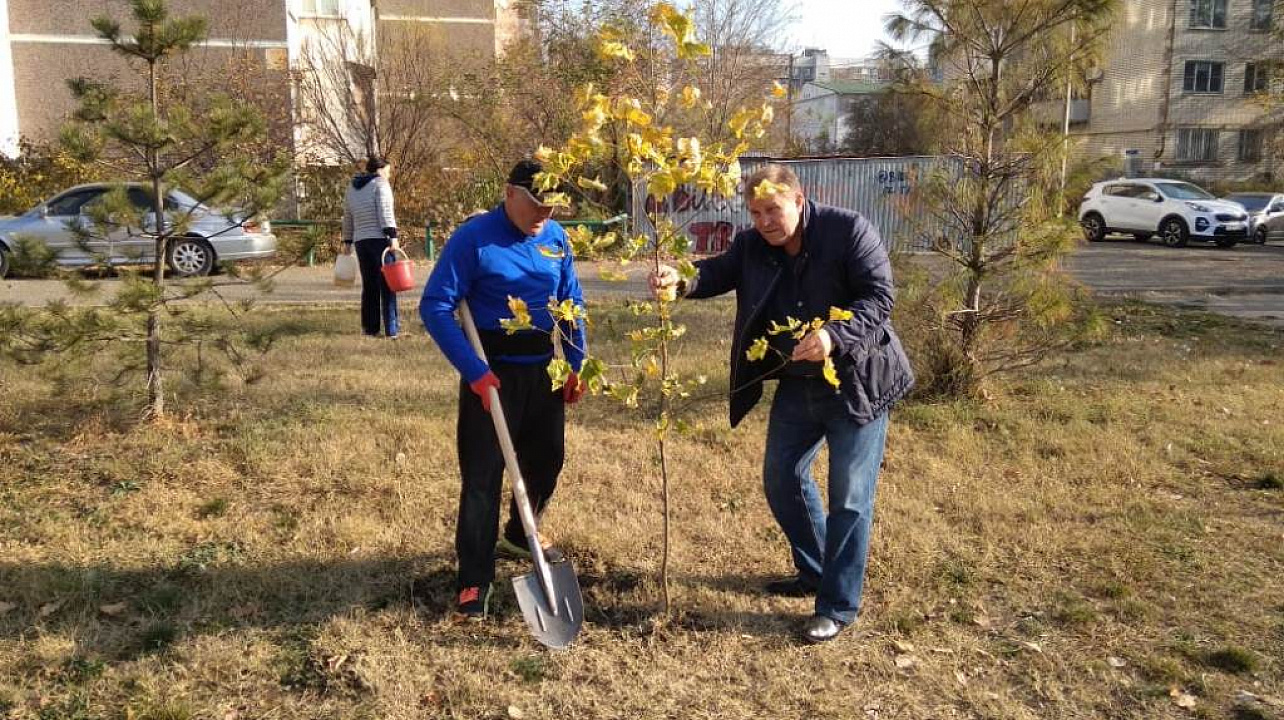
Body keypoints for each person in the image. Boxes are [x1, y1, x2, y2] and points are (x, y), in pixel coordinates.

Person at [649, 164, 914, 643]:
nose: (765, 221)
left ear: (798, 198)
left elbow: (879, 299)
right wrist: (680, 280)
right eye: (755, 212)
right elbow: (717, 272)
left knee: (850, 499)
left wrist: (834, 335)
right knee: (781, 478)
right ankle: (816, 570)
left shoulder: (848, 230)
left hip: (856, 382)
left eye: (773, 209)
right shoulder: (753, 245)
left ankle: (837, 605)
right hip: (797, 383)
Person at [420, 159, 587, 620]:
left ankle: (518, 533)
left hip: (542, 367)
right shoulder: (474, 239)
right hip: (490, 370)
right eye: (535, 204)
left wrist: (576, 363)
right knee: (483, 476)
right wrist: (474, 370)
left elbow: (572, 302)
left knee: (548, 458)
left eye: (551, 206)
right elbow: (435, 306)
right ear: (509, 192)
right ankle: (474, 578)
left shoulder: (556, 239)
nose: (543, 214)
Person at [342, 156, 400, 339]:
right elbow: (385, 211)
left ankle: (370, 329)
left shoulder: (352, 187)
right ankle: (391, 330)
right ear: (381, 170)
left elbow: (348, 216)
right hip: (380, 240)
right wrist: (393, 236)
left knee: (369, 286)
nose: (389, 175)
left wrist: (347, 241)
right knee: (388, 285)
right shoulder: (380, 184)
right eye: (388, 171)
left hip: (361, 241)